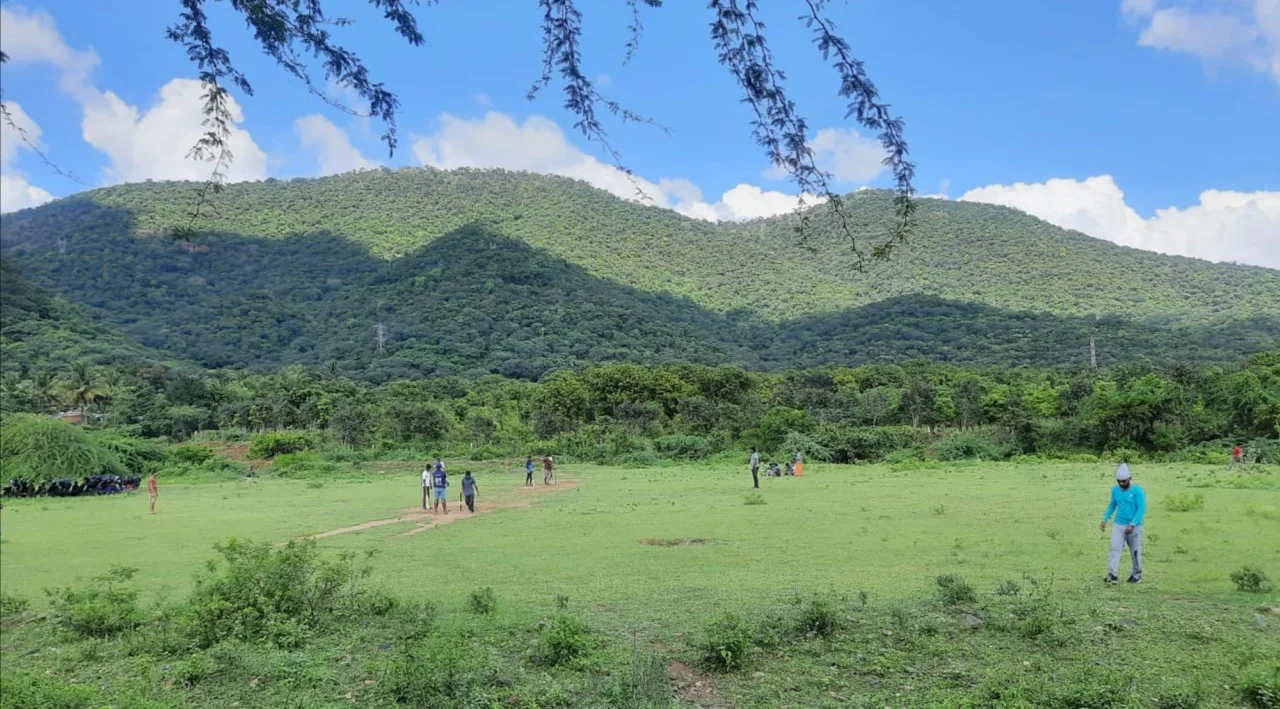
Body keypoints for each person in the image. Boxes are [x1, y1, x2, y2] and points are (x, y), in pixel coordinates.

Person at [1100, 463, 1146, 584]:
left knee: (1135, 550)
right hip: (1119, 524)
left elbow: (1141, 508)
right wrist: (1105, 519)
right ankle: (1113, 574)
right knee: (1115, 548)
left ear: (1129, 479)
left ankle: (1137, 574)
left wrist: (1132, 524)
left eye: (1124, 481)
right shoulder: (1115, 490)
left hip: (1135, 526)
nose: (1121, 484)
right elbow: (1112, 505)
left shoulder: (1137, 491)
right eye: (1119, 481)